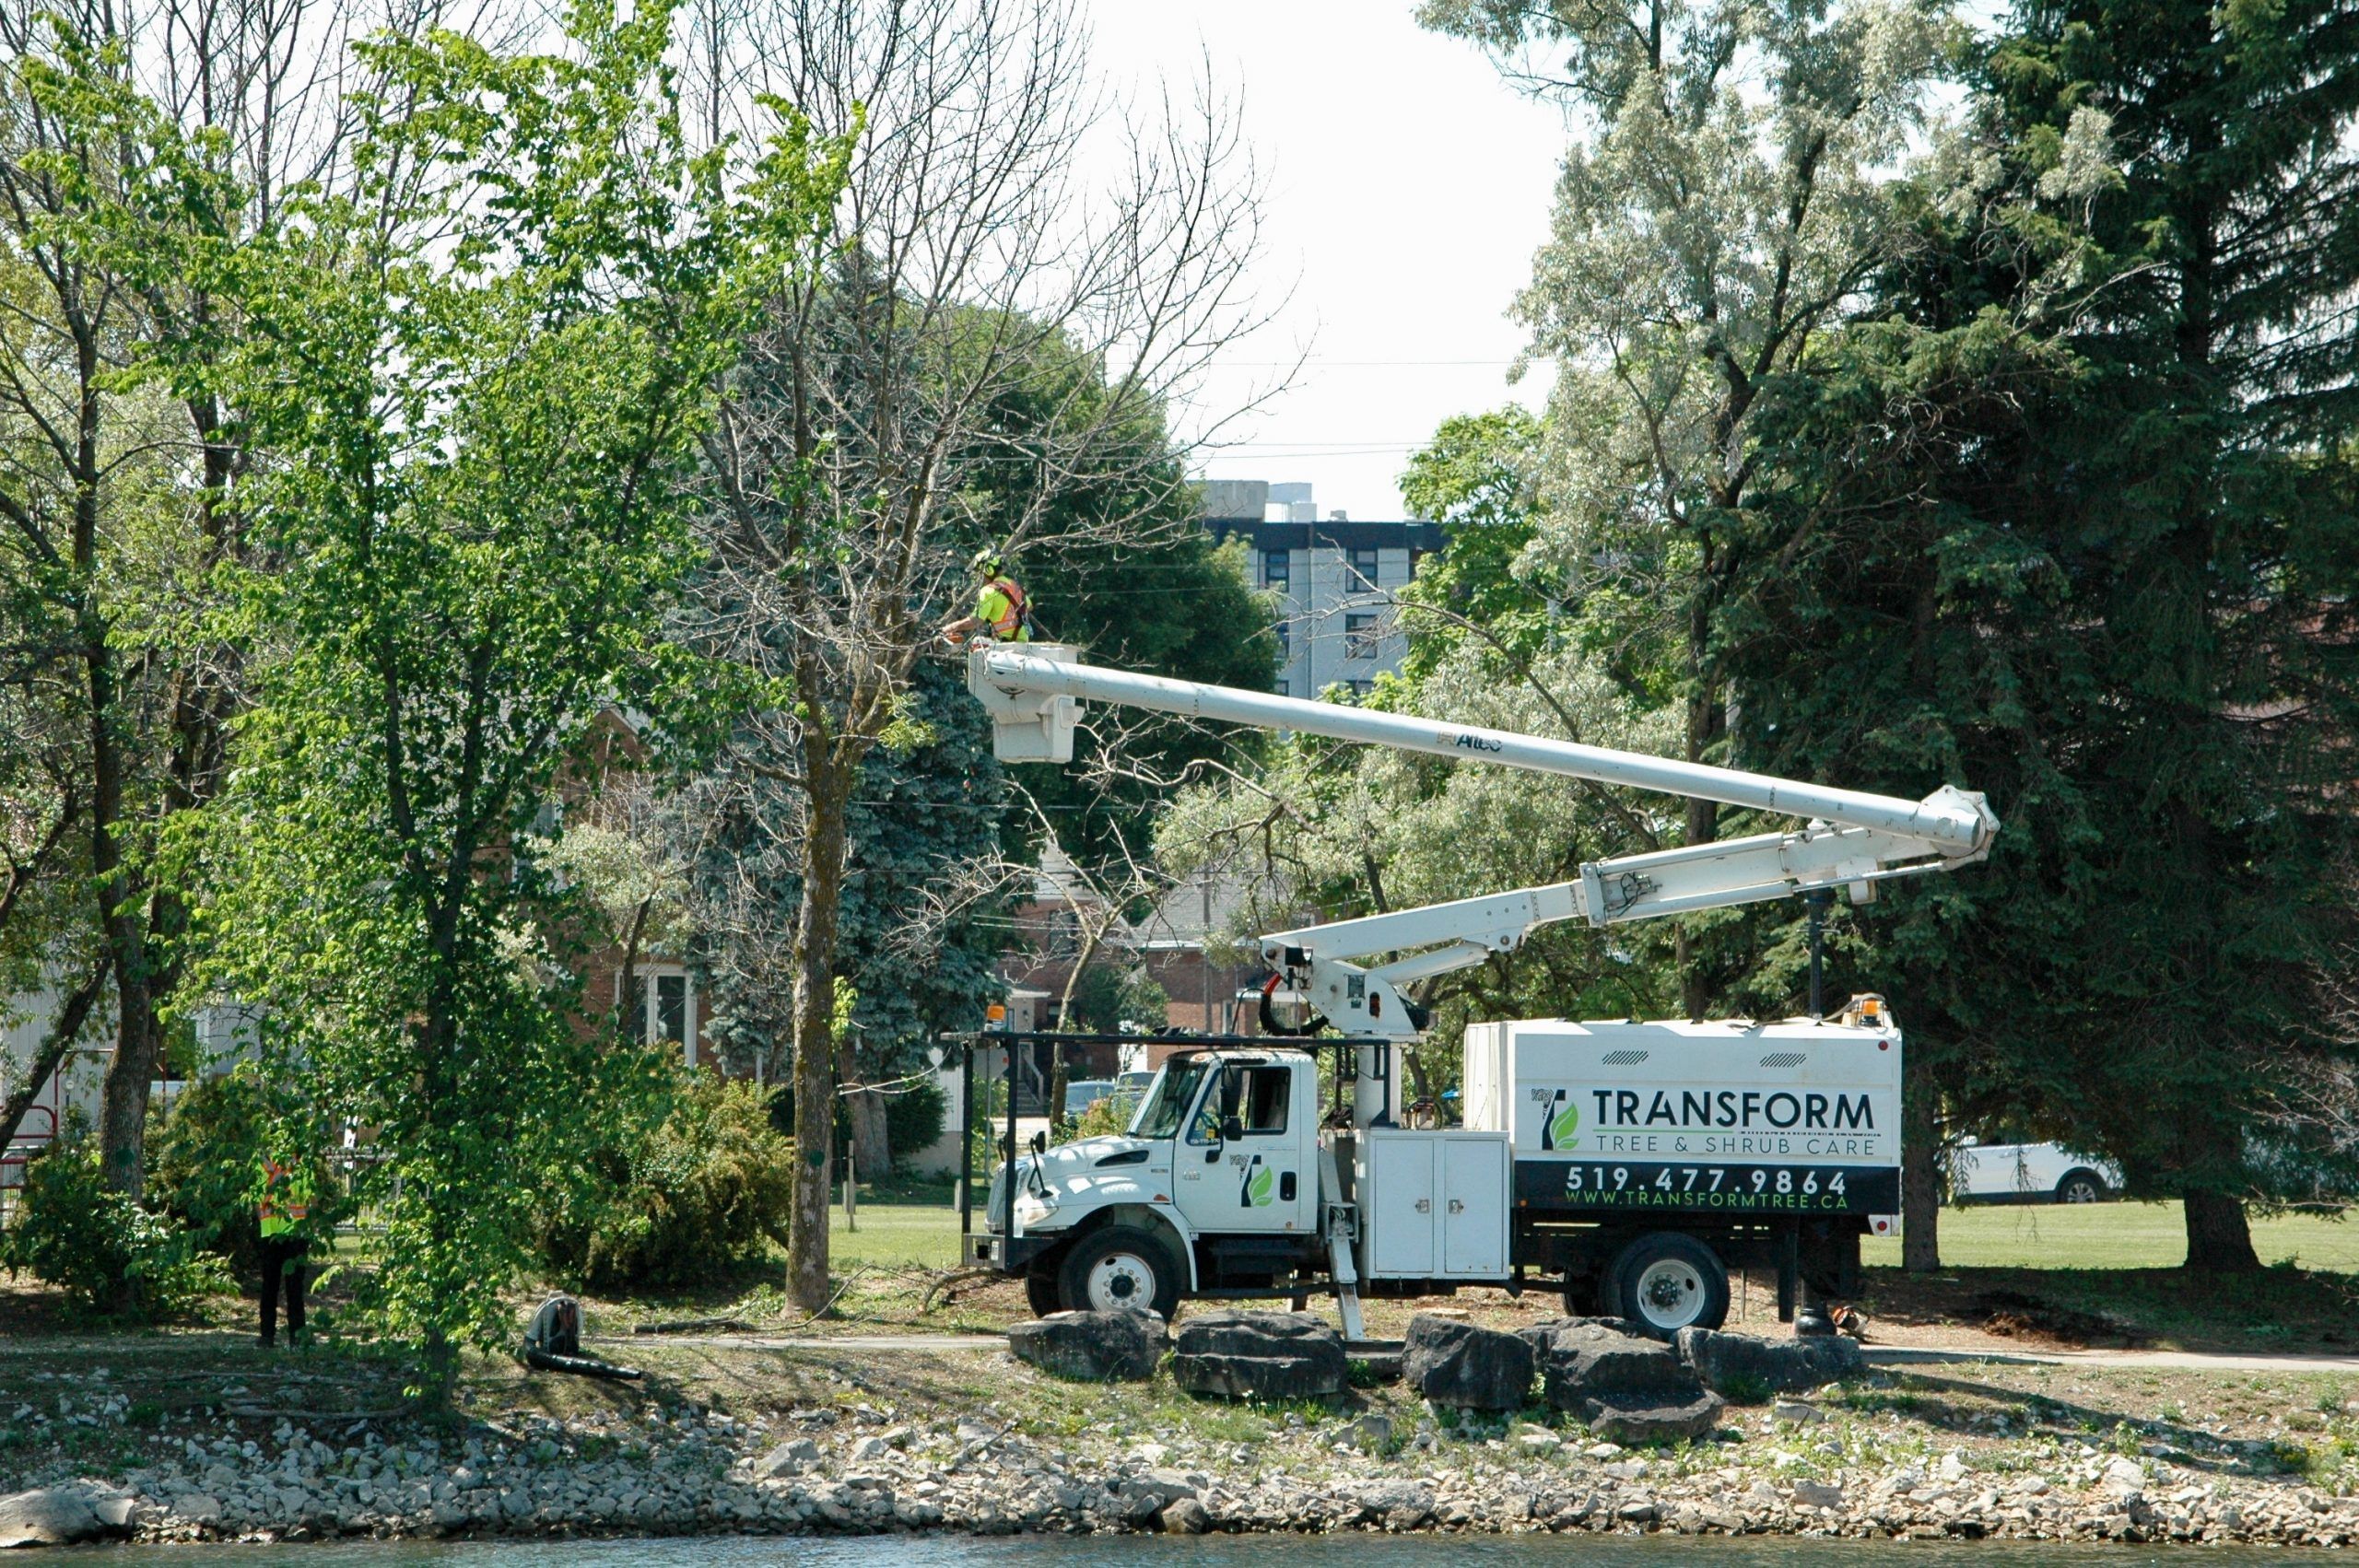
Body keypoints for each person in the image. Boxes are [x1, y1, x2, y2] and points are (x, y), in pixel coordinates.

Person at [255, 1153, 314, 1348]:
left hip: (278, 1232)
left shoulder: (265, 1166)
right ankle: (291, 1336)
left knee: (279, 1287)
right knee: (286, 1287)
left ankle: (271, 1336)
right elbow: (312, 1201)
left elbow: (257, 1203)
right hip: (290, 1233)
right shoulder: (300, 1165)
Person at [940, 549, 1033, 644]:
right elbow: (1029, 606)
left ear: (989, 570)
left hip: (1008, 645)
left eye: (980, 572)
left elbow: (975, 620)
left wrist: (950, 628)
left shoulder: (988, 591)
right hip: (1022, 642)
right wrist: (1010, 618)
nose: (979, 576)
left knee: (977, 646)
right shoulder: (1013, 585)